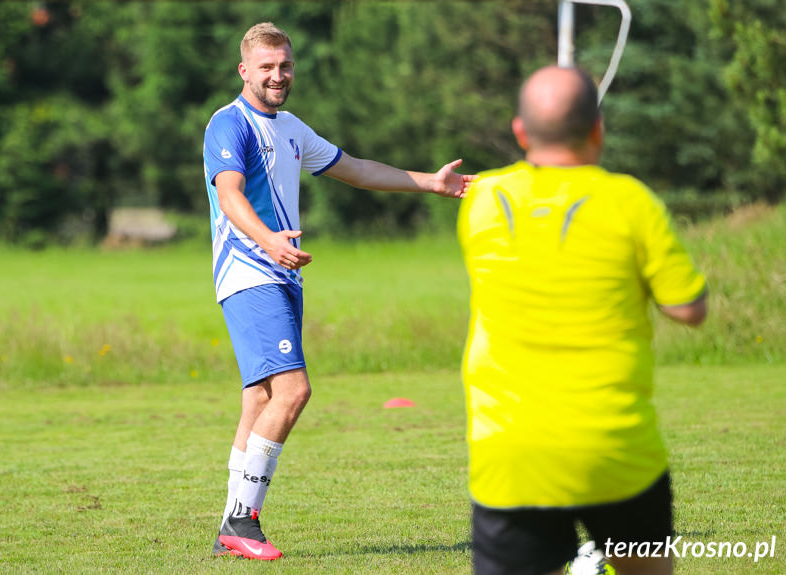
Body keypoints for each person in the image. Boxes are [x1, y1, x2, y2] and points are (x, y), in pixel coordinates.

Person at [203, 22, 473, 561]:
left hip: (279, 275)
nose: (277, 76)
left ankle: (230, 532)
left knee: (259, 398)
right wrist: (269, 243)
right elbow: (229, 194)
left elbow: (358, 169)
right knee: (293, 391)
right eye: (266, 67)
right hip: (251, 272)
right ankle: (241, 521)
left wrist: (431, 183)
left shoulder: (291, 128)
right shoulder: (228, 124)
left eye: (285, 66)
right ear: (244, 71)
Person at [457, 66, 708, 575]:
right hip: (615, 450)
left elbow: (514, 180)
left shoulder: (483, 202)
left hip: (510, 453)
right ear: (599, 129)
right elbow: (689, 309)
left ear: (520, 131)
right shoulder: (632, 202)